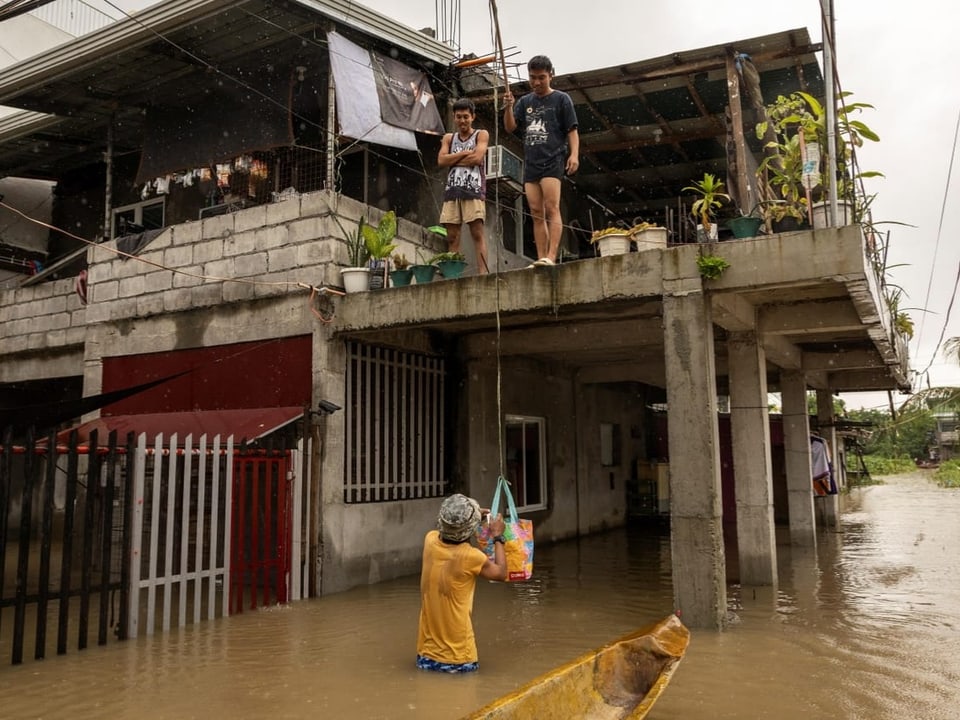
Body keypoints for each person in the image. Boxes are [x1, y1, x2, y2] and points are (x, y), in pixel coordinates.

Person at [416, 493, 507, 673]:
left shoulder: (430, 540)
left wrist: (470, 517)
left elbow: (448, 530)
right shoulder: (470, 557)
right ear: (470, 529)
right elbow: (501, 573)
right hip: (459, 658)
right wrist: (498, 537)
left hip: (425, 655)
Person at [503, 55, 580, 267]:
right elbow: (510, 127)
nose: (536, 82)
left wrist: (574, 155)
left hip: (553, 158)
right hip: (531, 162)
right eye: (533, 77)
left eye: (541, 77)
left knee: (551, 208)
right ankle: (541, 257)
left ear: (551, 75)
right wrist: (509, 106)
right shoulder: (525, 102)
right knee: (536, 212)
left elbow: (572, 130)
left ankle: (552, 256)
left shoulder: (562, 99)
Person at [437, 98, 490, 274]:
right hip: (452, 191)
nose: (462, 121)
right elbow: (441, 160)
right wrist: (466, 154)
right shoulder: (448, 138)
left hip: (473, 190)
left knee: (476, 232)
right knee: (452, 236)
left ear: (472, 117)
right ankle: (453, 274)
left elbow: (477, 158)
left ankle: (483, 273)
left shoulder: (481, 134)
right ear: (454, 117)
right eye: (459, 117)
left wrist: (454, 159)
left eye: (466, 116)